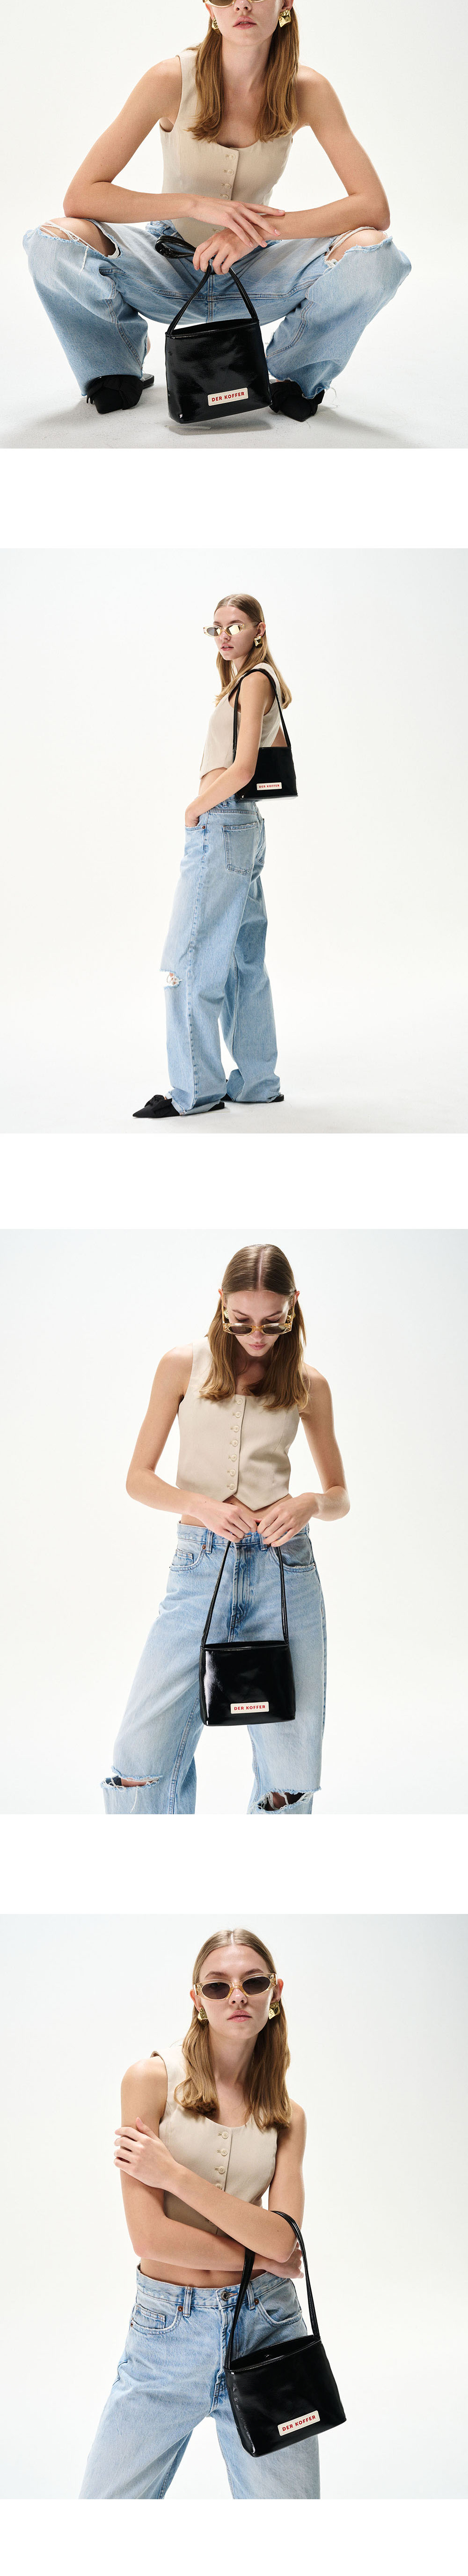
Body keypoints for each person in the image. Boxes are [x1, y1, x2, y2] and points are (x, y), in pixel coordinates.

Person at [24, 0, 410, 424]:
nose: (241, 4)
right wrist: (193, 205)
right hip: (167, 265)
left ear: (285, 0)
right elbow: (83, 195)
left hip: (256, 271)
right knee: (52, 242)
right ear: (210, 9)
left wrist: (256, 231)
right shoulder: (169, 79)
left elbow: (372, 207)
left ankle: (294, 373)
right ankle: (114, 365)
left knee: (376, 254)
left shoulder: (306, 90)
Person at [102, 1240, 349, 1819]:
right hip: (200, 1567)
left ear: (293, 1305)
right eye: (241, 1321)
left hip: (285, 1574)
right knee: (140, 1758)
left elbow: (339, 1496)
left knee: (289, 1777)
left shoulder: (308, 1382)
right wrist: (200, 1505)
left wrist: (310, 1503)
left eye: (272, 1321)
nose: (256, 1336)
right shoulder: (181, 1365)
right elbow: (138, 1480)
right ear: (221, 1303)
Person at [80, 1925, 321, 2502]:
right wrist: (263, 2256)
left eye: (252, 1982)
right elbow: (151, 2238)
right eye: (218, 1986)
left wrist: (173, 2176)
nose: (236, 1995)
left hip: (268, 2328)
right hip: (166, 2335)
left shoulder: (288, 2115)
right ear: (197, 1999)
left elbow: (284, 2240)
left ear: (274, 1992)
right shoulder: (149, 2080)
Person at [134, 591, 292, 1119]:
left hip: (221, 824)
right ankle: (257, 1083)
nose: (224, 635)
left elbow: (243, 767)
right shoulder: (248, 680)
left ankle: (195, 1092)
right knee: (244, 961)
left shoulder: (254, 680)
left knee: (186, 961)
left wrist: (193, 809)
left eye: (236, 625)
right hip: (241, 827)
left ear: (259, 630)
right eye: (217, 627)